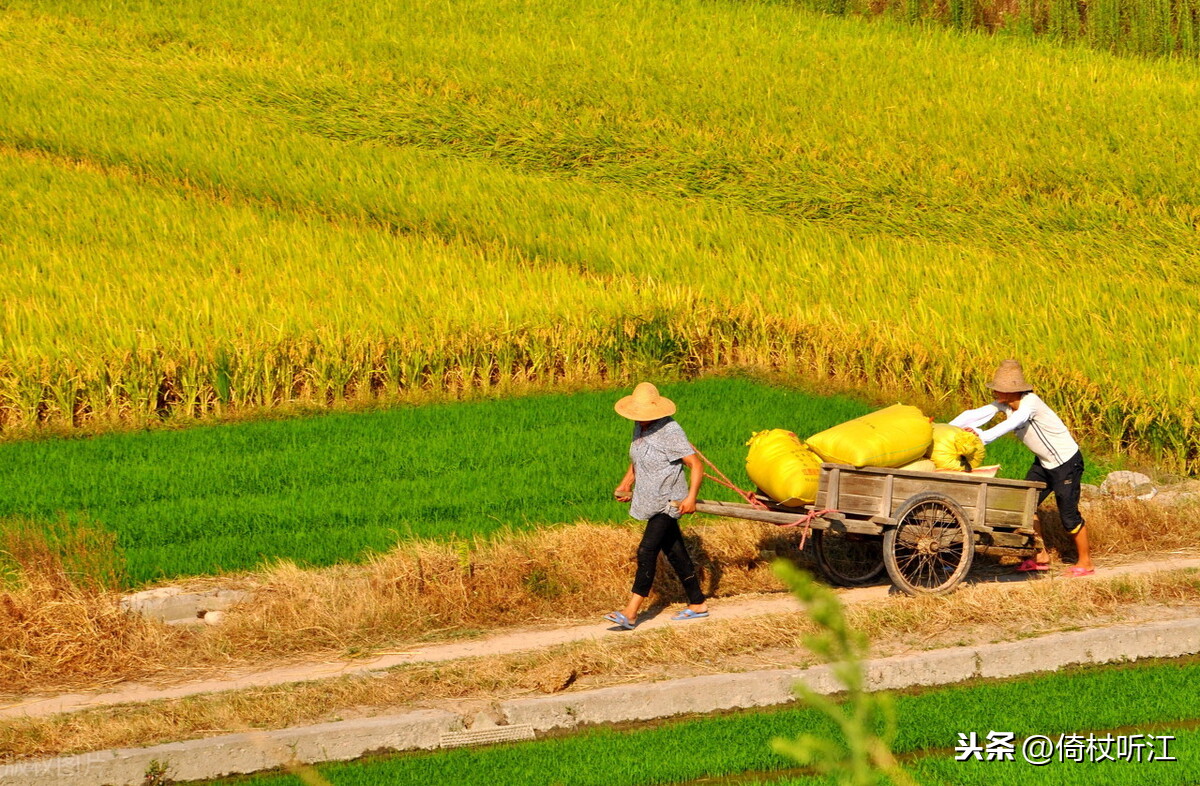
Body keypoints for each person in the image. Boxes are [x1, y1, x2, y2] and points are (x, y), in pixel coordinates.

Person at [950, 359, 1094, 576]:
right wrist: (945, 427)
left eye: (1000, 389)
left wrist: (984, 436)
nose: (996, 392)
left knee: (1069, 517)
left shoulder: (1029, 404)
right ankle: (1040, 556)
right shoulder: (1005, 404)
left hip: (1066, 463)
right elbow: (976, 414)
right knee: (1024, 507)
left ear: (1012, 391)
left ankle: (1086, 562)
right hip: (1044, 463)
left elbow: (1014, 422)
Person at [604, 382, 709, 630]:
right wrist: (626, 483)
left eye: (643, 416)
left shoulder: (670, 430)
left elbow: (696, 465)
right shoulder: (640, 426)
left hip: (669, 500)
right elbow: (637, 459)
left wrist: (691, 498)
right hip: (649, 497)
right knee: (675, 551)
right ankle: (697, 603)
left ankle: (630, 612)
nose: (640, 420)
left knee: (646, 550)